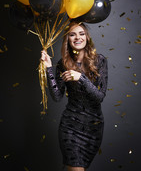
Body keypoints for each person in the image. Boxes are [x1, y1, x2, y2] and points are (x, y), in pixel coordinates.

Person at [40, 21, 108, 171]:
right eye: (72, 34)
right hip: (70, 126)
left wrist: (81, 78)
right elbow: (57, 96)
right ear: (68, 39)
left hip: (94, 127)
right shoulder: (63, 64)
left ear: (87, 37)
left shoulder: (100, 61)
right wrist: (49, 69)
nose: (78, 38)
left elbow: (99, 96)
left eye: (81, 34)